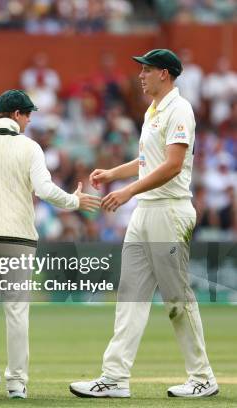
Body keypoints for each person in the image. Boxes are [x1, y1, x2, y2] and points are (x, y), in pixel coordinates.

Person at [70, 49, 218, 398]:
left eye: (147, 70)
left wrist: (126, 192)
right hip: (146, 211)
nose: (140, 75)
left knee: (176, 298)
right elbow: (146, 159)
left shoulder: (179, 109)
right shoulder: (153, 111)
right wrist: (113, 173)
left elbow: (172, 165)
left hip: (169, 210)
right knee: (130, 296)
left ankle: (202, 377)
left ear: (165, 74)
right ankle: (115, 377)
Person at [0, 90, 100, 399]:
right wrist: (74, 200)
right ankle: (16, 383)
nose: (30, 120)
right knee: (17, 313)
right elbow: (44, 189)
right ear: (16, 114)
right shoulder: (30, 147)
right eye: (28, 114)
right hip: (19, 240)